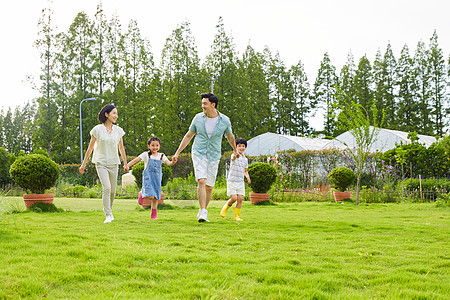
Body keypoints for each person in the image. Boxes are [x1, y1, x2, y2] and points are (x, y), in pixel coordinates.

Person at [172, 93, 239, 222]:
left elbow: (230, 137)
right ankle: (203, 211)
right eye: (202, 103)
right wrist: (177, 152)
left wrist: (235, 150)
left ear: (213, 105)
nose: (202, 106)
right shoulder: (198, 118)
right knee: (201, 180)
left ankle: (203, 210)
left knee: (209, 186)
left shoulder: (224, 120)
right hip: (199, 152)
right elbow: (188, 135)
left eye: (205, 103)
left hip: (214, 154)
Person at [79, 104, 129, 223]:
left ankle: (109, 211)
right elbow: (90, 148)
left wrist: (125, 163)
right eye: (114, 113)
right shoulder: (97, 130)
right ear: (106, 114)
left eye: (116, 113)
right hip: (101, 162)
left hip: (114, 163)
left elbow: (121, 148)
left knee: (113, 191)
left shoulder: (118, 131)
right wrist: (83, 164)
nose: (116, 116)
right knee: (106, 188)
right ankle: (108, 214)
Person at [127, 137, 176, 220]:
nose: (155, 147)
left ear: (159, 146)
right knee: (150, 196)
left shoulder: (161, 156)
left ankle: (154, 215)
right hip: (148, 178)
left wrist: (173, 162)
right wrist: (127, 165)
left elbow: (169, 163)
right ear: (149, 146)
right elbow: (136, 160)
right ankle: (142, 193)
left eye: (157, 145)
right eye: (153, 145)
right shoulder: (146, 154)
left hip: (157, 179)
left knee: (156, 197)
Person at [220, 138, 251, 221]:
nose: (241, 147)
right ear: (236, 147)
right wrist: (235, 155)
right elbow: (233, 158)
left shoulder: (245, 159)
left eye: (243, 146)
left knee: (240, 199)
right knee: (234, 198)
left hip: (240, 182)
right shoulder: (234, 155)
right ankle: (226, 207)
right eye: (239, 146)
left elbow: (245, 171)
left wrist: (248, 177)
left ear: (245, 147)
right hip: (232, 181)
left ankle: (236, 217)